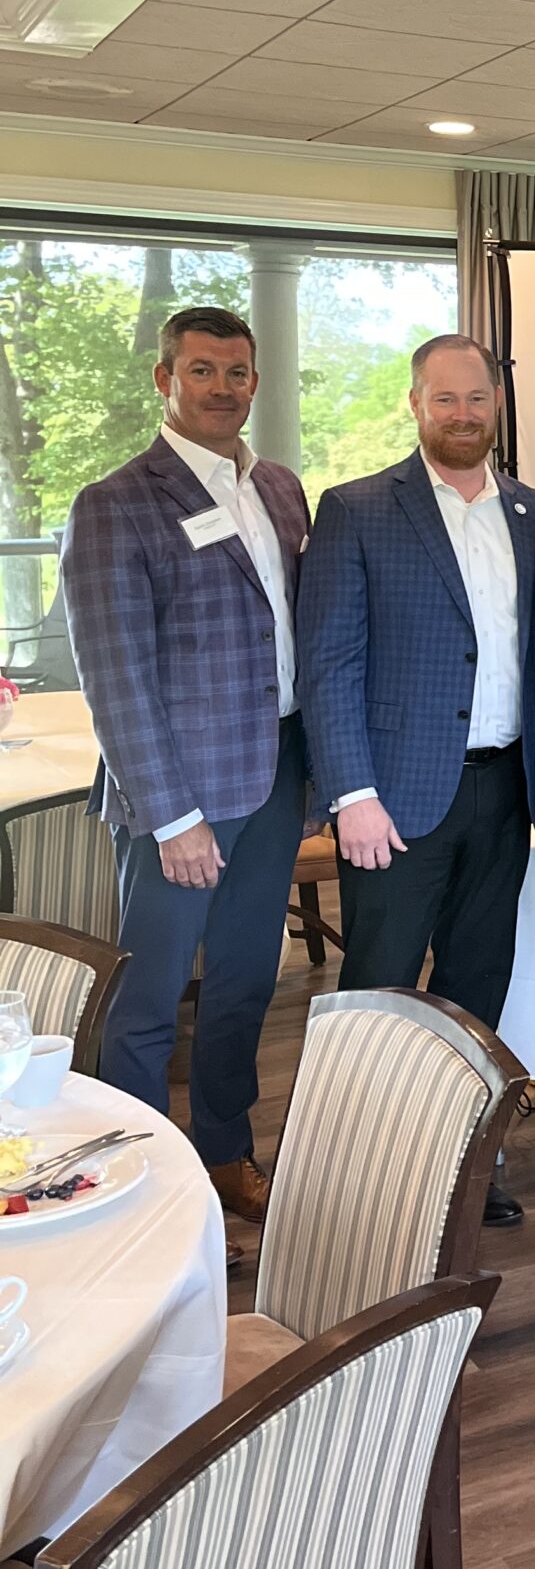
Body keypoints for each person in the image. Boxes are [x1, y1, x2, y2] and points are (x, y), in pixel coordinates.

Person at [296, 333, 535, 1227]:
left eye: (476, 399)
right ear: (414, 405)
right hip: (394, 801)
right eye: (443, 399)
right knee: (376, 985)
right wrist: (351, 796)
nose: (461, 415)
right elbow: (329, 666)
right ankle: (353, 1174)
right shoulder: (358, 509)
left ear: (497, 404)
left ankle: (462, 1159)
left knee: (478, 978)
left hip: (506, 788)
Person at [60, 306, 310, 1231]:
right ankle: (135, 1184)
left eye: (238, 372)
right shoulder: (115, 502)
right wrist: (171, 816)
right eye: (202, 371)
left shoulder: (280, 489)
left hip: (277, 776)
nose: (222, 388)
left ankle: (223, 1152)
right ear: (164, 380)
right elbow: (114, 677)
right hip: (182, 797)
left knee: (248, 982)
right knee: (151, 997)